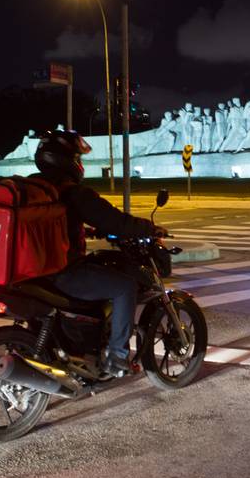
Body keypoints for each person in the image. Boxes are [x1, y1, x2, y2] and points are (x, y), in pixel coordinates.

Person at [31, 129, 166, 377]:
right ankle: (117, 357)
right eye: (77, 158)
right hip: (61, 271)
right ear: (68, 161)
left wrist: (87, 231)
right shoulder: (73, 192)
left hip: (31, 270)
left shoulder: (35, 187)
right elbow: (115, 221)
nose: (79, 164)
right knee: (125, 286)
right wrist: (148, 228)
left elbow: (55, 224)